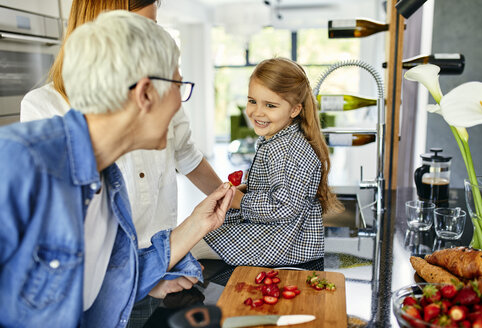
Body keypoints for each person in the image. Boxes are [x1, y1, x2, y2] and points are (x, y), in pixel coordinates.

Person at [0, 11, 235, 327]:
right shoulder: (18, 160)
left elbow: (97, 281)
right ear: (146, 94)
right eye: (179, 85)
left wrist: (196, 224)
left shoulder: (109, 182)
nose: (181, 102)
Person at [202, 57, 342, 266]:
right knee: (199, 236)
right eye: (252, 101)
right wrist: (248, 189)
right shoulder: (281, 140)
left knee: (195, 242)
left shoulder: (284, 150)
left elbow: (284, 206)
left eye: (270, 105)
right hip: (282, 237)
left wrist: (240, 201)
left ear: (294, 110)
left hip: (279, 243)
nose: (257, 112)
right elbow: (284, 188)